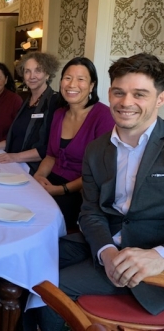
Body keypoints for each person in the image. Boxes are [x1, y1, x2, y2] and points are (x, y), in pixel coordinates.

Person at [30, 53, 164, 330]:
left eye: (139, 94)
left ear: (159, 99)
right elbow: (91, 210)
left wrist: (159, 256)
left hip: (149, 265)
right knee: (31, 258)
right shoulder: (97, 149)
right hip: (106, 243)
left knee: (50, 287)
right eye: (119, 92)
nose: (126, 102)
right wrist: (105, 252)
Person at [33, 57, 114, 230]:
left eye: (81, 79)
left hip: (80, 191)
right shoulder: (60, 113)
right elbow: (51, 155)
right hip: (52, 181)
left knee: (38, 221)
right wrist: (38, 177)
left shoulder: (104, 116)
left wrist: (60, 190)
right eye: (68, 78)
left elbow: (98, 172)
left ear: (92, 85)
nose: (72, 84)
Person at [0, 52, 60, 174]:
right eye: (27, 71)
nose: (32, 76)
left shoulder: (55, 102)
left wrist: (14, 157)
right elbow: (17, 137)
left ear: (47, 74)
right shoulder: (27, 102)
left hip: (36, 170)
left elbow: (49, 148)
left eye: (38, 70)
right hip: (15, 163)